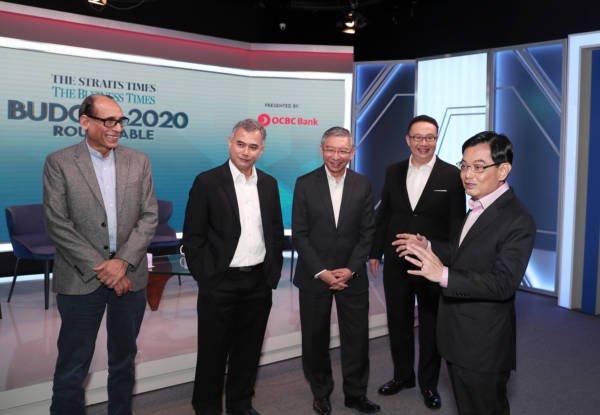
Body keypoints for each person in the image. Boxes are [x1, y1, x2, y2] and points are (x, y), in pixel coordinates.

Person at [402, 131, 536, 415]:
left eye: (478, 166)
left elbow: (503, 283)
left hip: (482, 346)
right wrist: (429, 245)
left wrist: (443, 275)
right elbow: (462, 252)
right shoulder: (478, 205)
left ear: (503, 170)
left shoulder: (518, 219)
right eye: (464, 165)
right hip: (458, 337)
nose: (467, 175)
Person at [44, 94, 158, 415]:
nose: (117, 128)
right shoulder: (59, 162)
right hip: (80, 280)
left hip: (129, 277)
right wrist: (104, 268)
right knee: (73, 365)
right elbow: (57, 223)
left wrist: (122, 263)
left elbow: (149, 216)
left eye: (120, 121)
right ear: (85, 122)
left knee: (123, 360)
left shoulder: (139, 161)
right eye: (109, 121)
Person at [182, 119, 284, 415]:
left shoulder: (269, 184)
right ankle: (207, 408)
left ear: (261, 150)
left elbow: (275, 232)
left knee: (248, 352)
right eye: (240, 144)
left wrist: (271, 275)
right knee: (212, 354)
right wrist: (207, 277)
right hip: (220, 283)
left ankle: (241, 406)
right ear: (230, 142)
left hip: (258, 283)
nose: (245, 152)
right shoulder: (207, 182)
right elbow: (193, 236)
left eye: (253, 146)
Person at [368, 115, 465, 409]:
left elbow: (456, 224)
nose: (424, 143)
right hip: (397, 260)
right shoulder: (393, 171)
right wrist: (374, 252)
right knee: (397, 320)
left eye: (430, 137)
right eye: (418, 137)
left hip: (432, 262)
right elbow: (385, 214)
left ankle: (428, 384)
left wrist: (449, 258)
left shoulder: (452, 175)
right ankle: (402, 376)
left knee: (431, 324)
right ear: (407, 140)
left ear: (436, 139)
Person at [292, 127, 379, 415]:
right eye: (330, 149)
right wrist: (322, 271)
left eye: (343, 150)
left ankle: (356, 395)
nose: (336, 156)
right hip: (315, 276)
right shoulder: (304, 184)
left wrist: (351, 269)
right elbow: (300, 234)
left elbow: (367, 232)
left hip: (352, 276)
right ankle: (321, 393)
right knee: (315, 339)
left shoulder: (363, 184)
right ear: (322, 150)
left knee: (357, 339)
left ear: (352, 153)